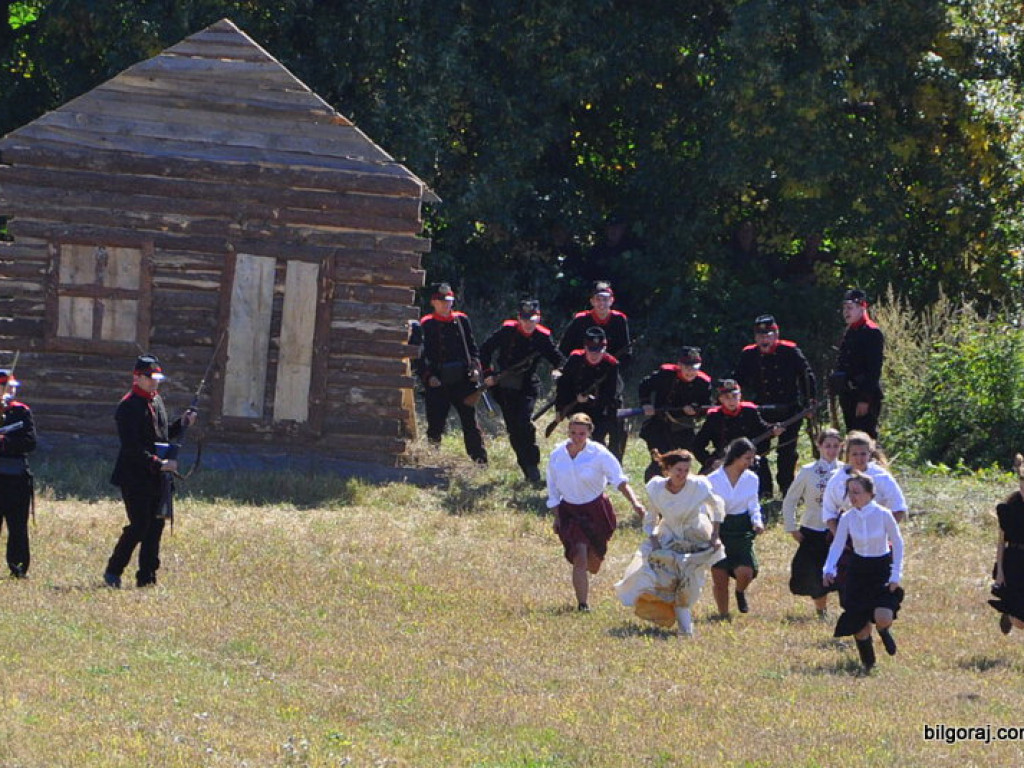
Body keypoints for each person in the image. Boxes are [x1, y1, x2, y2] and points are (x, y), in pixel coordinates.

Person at [103, 355, 196, 588]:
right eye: (150, 378)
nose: (155, 382)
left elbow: (162, 436)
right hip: (135, 476)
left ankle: (147, 578)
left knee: (156, 527)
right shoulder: (127, 406)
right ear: (137, 377)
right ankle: (114, 571)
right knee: (139, 526)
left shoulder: (157, 401)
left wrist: (182, 423)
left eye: (157, 378)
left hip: (157, 476)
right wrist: (158, 463)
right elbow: (132, 447)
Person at [614, 449, 725, 637]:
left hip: (696, 536)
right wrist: (654, 540)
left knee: (689, 580)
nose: (682, 475)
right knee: (662, 578)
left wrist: (714, 535)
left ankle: (686, 630)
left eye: (686, 470)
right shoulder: (657, 488)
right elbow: (651, 517)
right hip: (668, 536)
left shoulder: (698, 486)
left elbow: (717, 507)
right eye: (678, 470)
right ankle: (674, 621)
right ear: (668, 470)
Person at [546, 412, 645, 612]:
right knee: (579, 557)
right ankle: (582, 604)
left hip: (595, 510)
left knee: (594, 564)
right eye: (573, 432)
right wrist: (557, 517)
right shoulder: (557, 455)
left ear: (589, 433)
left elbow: (619, 479)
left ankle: (593, 560)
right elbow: (553, 489)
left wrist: (635, 503)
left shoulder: (599, 453)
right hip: (570, 511)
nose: (576, 437)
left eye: (581, 433)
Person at [823, 473, 904, 671]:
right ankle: (868, 663)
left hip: (881, 568)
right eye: (850, 492)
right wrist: (829, 568)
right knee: (858, 624)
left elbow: (898, 544)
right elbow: (838, 544)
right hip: (858, 570)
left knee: (883, 616)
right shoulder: (848, 517)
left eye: (857, 492)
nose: (853, 497)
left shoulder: (883, 514)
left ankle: (884, 631)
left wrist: (895, 575)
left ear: (869, 493)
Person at [479, 299, 565, 482]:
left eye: (532, 319)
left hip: (526, 385)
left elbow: (558, 359)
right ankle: (525, 467)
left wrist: (559, 370)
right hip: (504, 386)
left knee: (524, 423)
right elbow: (485, 350)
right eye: (525, 319)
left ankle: (533, 464)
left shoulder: (542, 337)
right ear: (519, 318)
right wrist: (488, 373)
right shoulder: (507, 331)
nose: (528, 324)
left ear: (538, 318)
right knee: (513, 429)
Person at [733, 314, 816, 498]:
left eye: (769, 334)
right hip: (761, 410)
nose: (765, 339)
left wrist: (810, 402)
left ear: (776, 334)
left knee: (787, 452)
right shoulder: (749, 354)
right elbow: (738, 380)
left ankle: (788, 489)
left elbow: (806, 376)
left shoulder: (790, 351)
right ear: (755, 337)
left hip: (789, 409)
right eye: (761, 335)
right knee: (758, 452)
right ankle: (764, 490)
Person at [558, 281, 630, 459]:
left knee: (617, 421)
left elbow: (626, 352)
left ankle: (615, 461)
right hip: (583, 374)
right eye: (598, 299)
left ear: (611, 301)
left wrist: (609, 365)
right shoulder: (581, 320)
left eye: (606, 300)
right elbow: (563, 349)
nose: (602, 304)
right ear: (592, 301)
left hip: (610, 373)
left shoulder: (619, 320)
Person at [417, 282, 488, 464]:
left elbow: (473, 349)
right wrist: (428, 377)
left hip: (462, 379)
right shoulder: (426, 324)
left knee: (470, 423)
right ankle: (432, 460)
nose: (446, 305)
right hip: (438, 380)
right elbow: (418, 356)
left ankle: (479, 459)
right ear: (433, 302)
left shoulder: (462, 320)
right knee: (435, 424)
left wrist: (475, 368)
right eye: (441, 301)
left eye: (448, 301)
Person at [782, 428, 842, 619]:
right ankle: (821, 611)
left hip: (840, 530)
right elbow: (790, 499)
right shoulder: (808, 471)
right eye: (827, 446)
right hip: (813, 528)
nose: (831, 451)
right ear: (819, 446)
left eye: (835, 446)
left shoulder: (846, 471)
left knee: (843, 570)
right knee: (814, 572)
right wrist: (791, 527)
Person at [637, 346, 714, 481]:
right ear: (679, 365)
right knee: (660, 461)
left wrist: (695, 410)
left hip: (683, 427)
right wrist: (646, 403)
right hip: (660, 425)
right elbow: (644, 386)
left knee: (684, 459)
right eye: (687, 367)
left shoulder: (703, 382)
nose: (691, 371)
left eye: (695, 367)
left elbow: (706, 406)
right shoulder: (666, 374)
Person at [708, 438, 764, 617]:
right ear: (735, 457)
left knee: (746, 571)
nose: (750, 462)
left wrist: (757, 521)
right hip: (719, 527)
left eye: (752, 459)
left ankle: (740, 592)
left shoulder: (752, 479)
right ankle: (723, 614)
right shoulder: (713, 479)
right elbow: (706, 507)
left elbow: (753, 503)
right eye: (747, 458)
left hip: (741, 528)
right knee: (720, 576)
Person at [553, 326, 621, 453]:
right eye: (591, 350)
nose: (594, 354)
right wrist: (559, 409)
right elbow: (563, 386)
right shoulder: (575, 359)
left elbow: (610, 394)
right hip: (576, 407)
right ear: (585, 347)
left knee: (598, 442)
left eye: (598, 350)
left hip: (600, 409)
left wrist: (589, 400)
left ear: (604, 349)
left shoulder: (611, 364)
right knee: (577, 439)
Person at [822, 431, 907, 532]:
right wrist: (840, 538)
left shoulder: (881, 477)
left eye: (863, 454)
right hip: (849, 533)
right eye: (854, 454)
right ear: (848, 454)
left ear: (869, 454)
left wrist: (884, 533)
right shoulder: (837, 479)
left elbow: (899, 507)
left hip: (879, 534)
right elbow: (829, 512)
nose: (859, 459)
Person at [692, 380, 781, 475]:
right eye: (727, 397)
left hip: (749, 460)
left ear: (740, 396)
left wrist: (774, 430)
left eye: (734, 396)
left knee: (762, 478)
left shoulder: (749, 411)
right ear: (721, 399)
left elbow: (763, 429)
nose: (731, 401)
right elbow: (698, 445)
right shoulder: (714, 417)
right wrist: (711, 461)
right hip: (723, 460)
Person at [829, 288, 884, 438]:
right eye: (844, 308)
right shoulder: (850, 331)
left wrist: (864, 399)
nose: (846, 312)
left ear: (862, 308)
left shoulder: (872, 332)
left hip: (864, 395)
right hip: (848, 395)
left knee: (865, 439)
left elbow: (874, 370)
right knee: (852, 437)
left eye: (850, 308)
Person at [0, 368, 36, 578]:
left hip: (16, 478)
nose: (10, 391)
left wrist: (4, 442)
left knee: (18, 527)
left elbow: (30, 442)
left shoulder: (21, 412)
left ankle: (19, 568)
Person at [988, 454, 1024, 635]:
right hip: (1015, 563)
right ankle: (1009, 615)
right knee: (1020, 621)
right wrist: (1000, 572)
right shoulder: (1010, 506)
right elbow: (1001, 542)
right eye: (1022, 480)